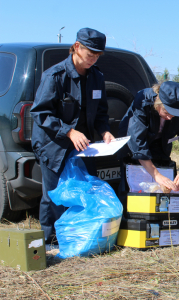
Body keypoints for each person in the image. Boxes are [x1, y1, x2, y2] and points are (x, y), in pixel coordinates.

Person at [31, 28, 115, 244]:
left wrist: (104, 130)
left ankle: (74, 236)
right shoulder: (55, 76)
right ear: (77, 47)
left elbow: (101, 112)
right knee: (54, 195)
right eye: (90, 55)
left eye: (97, 56)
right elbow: (40, 113)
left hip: (82, 147)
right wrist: (68, 131)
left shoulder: (97, 78)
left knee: (81, 190)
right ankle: (49, 241)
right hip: (53, 145)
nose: (93, 60)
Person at [118, 81, 179, 192]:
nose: (170, 117)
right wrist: (157, 175)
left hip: (159, 145)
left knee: (160, 190)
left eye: (174, 114)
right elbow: (137, 142)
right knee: (132, 188)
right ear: (157, 103)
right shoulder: (142, 102)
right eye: (166, 112)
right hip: (132, 148)